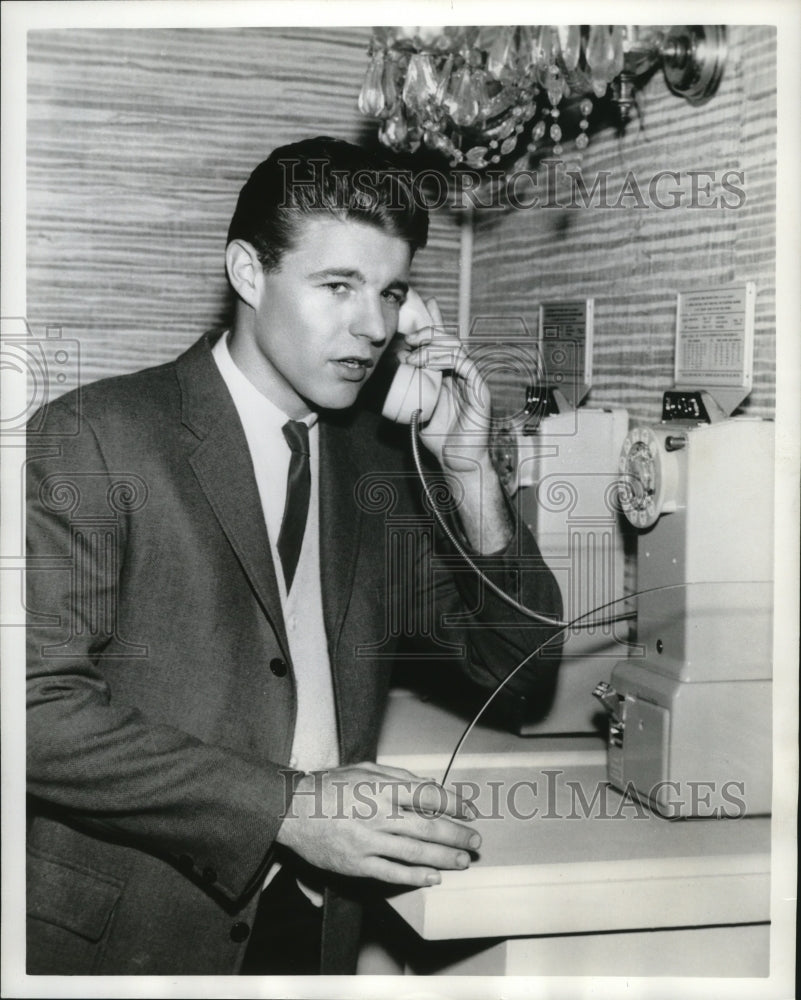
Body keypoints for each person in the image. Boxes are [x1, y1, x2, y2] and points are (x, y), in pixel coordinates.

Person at [25, 136, 562, 976]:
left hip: (313, 935)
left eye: (390, 292)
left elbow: (518, 666)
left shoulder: (380, 465)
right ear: (247, 272)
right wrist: (288, 807)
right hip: (131, 937)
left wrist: (469, 470)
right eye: (338, 286)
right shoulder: (96, 436)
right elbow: (32, 712)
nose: (375, 326)